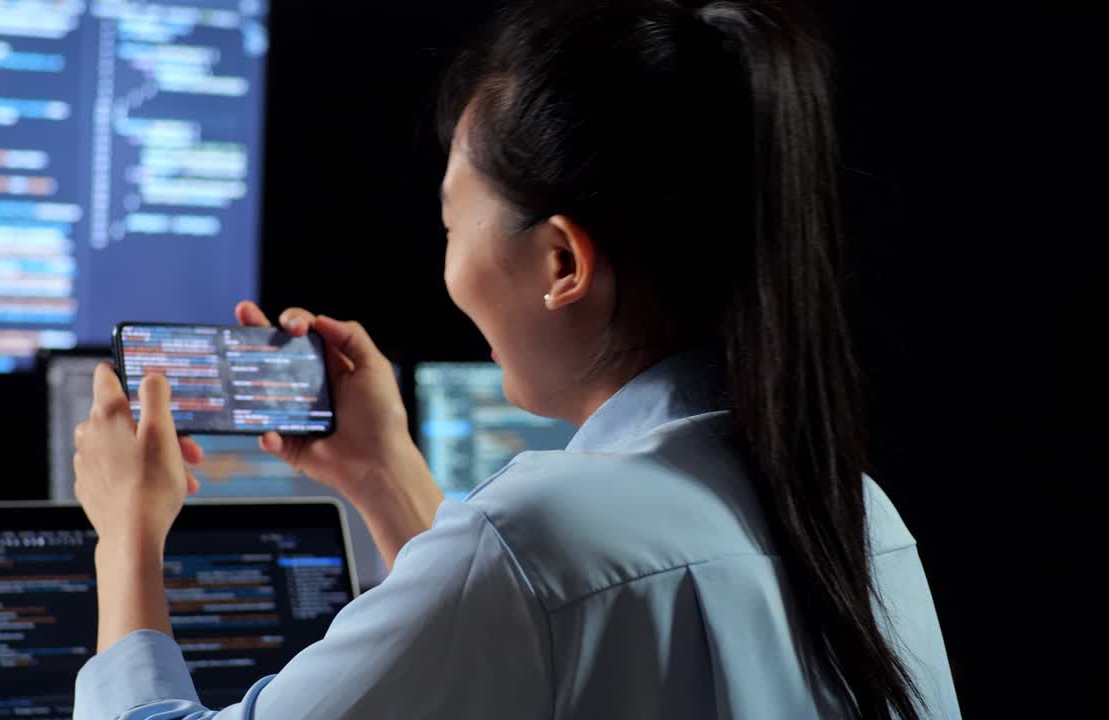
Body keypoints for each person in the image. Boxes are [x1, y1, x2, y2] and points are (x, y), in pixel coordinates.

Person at [71, 0, 960, 717]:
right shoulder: (854, 515)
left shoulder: (535, 532)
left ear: (562, 263)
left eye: (455, 225)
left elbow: (529, 585)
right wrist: (386, 475)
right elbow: (533, 635)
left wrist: (127, 538)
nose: (448, 267)